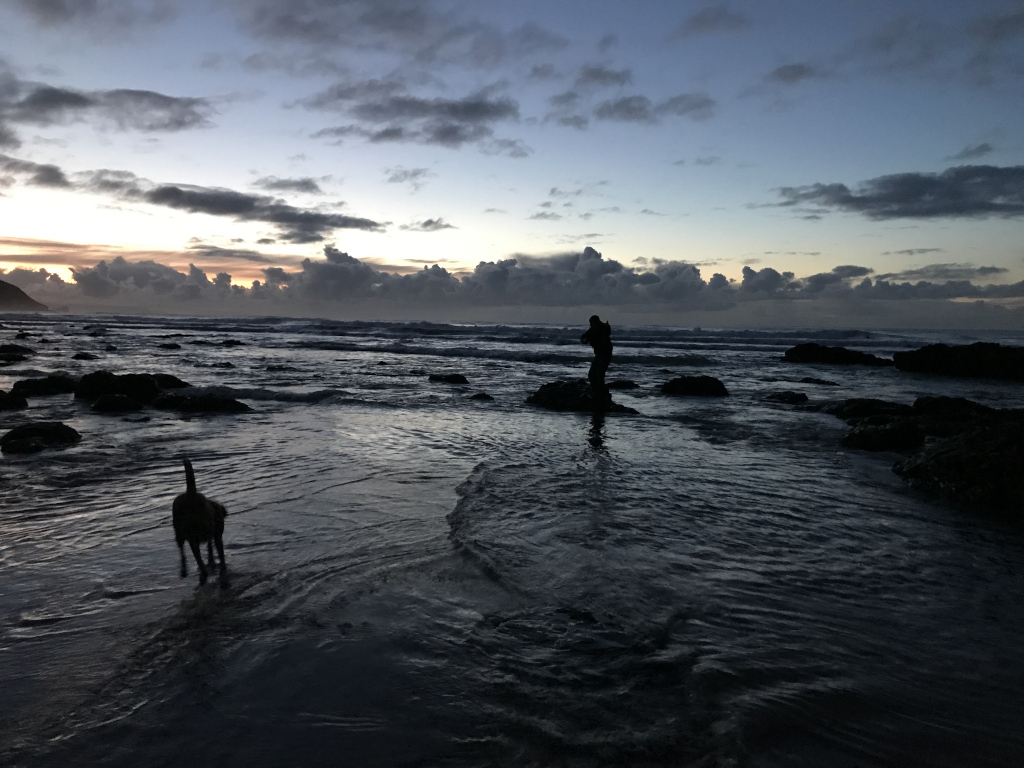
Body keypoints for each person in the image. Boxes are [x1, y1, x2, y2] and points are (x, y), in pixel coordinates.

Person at [580, 314, 612, 408]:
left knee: (599, 374)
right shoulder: (595, 329)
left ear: (595, 322)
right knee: (592, 374)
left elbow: (600, 337)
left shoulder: (603, 329)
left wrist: (588, 339)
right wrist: (584, 339)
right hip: (599, 354)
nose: (590, 325)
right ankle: (596, 392)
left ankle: (600, 394)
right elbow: (584, 336)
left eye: (591, 323)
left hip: (605, 354)